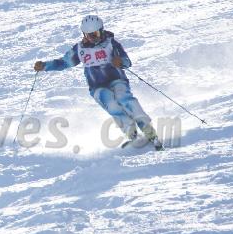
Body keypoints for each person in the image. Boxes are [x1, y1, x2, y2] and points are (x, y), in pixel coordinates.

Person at [33, 15, 163, 150]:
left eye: (95, 34)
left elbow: (126, 61)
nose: (92, 38)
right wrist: (45, 66)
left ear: (101, 31)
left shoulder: (111, 44)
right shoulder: (80, 49)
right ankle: (132, 134)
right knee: (111, 105)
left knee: (124, 99)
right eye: (88, 35)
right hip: (97, 87)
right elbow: (64, 62)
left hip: (117, 80)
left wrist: (120, 61)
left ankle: (149, 131)